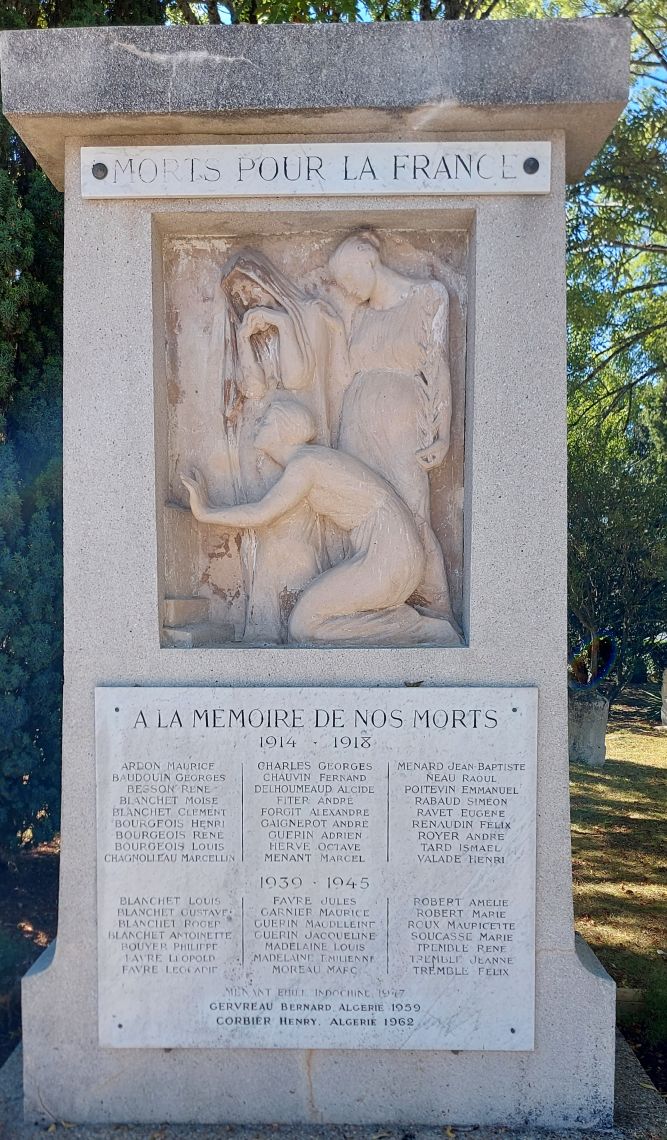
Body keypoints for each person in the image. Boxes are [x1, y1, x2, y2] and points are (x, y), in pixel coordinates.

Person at [181, 398, 462, 649]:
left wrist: (205, 512)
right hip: (393, 553)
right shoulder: (311, 462)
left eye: (266, 421)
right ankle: (399, 620)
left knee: (304, 627)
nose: (258, 426)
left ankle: (423, 630)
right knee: (307, 624)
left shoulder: (306, 464)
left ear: (284, 430)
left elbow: (261, 513)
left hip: (389, 557)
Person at [216, 250, 350, 642]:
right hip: (265, 448)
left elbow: (296, 375)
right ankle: (267, 626)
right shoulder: (252, 337)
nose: (248, 301)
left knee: (289, 535)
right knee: (266, 533)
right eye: (240, 296)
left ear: (267, 285)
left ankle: (300, 620)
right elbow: (252, 387)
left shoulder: (298, 320)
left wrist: (279, 321)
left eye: (251, 289)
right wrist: (244, 337)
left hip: (293, 446)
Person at [328, 230, 454, 621]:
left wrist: (444, 434)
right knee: (363, 519)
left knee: (411, 515)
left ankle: (436, 611)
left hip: (402, 429)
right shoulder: (360, 316)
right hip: (357, 430)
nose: (347, 289)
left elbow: (438, 368)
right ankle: (368, 606)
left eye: (348, 278)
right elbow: (346, 373)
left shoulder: (428, 296)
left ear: (369, 262)